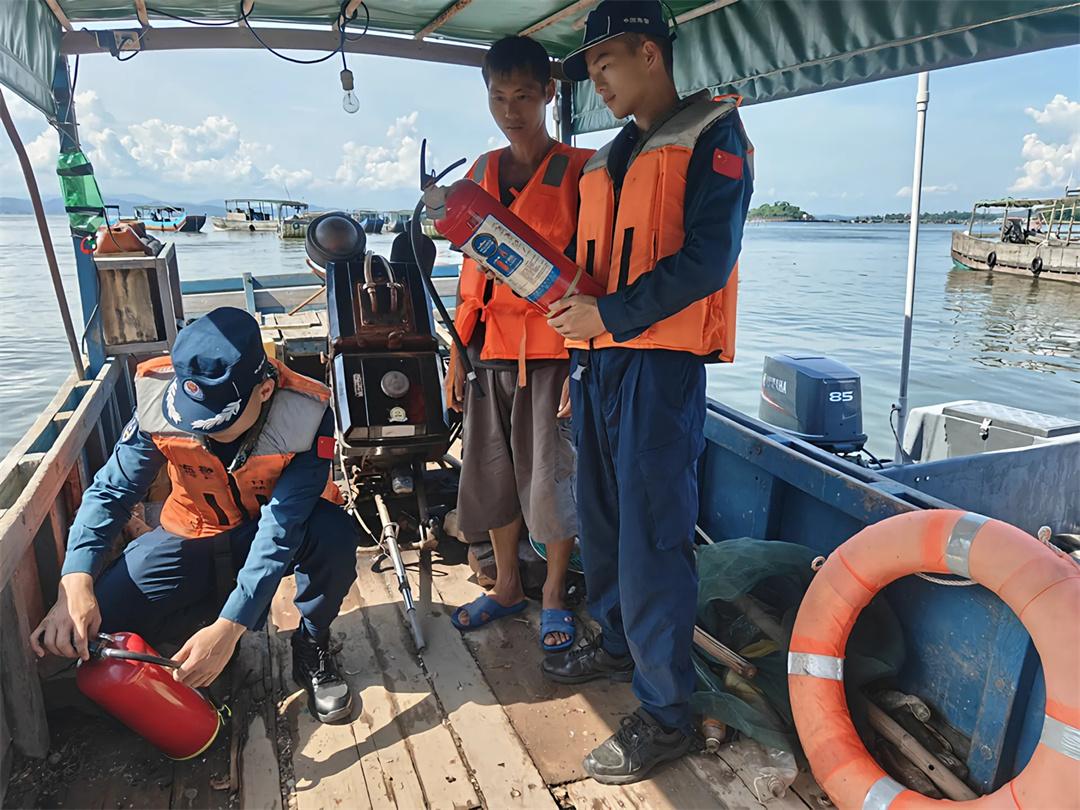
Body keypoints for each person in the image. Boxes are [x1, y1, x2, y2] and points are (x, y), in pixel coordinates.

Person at [543, 0, 754, 784]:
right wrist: (580, 354)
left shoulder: (714, 135)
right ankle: (617, 642)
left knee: (654, 540)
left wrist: (609, 319)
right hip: (599, 368)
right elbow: (588, 266)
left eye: (605, 64)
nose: (597, 83)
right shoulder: (607, 159)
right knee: (601, 521)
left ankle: (666, 716)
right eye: (590, 70)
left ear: (650, 53)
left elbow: (708, 259)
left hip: (660, 373)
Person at [30, 307, 359, 724]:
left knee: (333, 533)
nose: (199, 429)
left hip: (271, 533)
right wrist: (74, 583)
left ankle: (311, 644)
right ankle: (200, 620)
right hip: (192, 527)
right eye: (191, 417)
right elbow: (111, 491)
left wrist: (230, 627)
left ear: (263, 390)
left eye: (215, 421)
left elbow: (281, 528)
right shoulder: (157, 399)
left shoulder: (307, 415)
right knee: (100, 621)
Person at [447, 35, 594, 653]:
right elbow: (470, 276)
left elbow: (596, 274)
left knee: (552, 482)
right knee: (493, 475)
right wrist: (457, 353)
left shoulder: (583, 172)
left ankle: (554, 594)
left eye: (524, 97)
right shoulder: (480, 173)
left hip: (556, 354)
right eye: (499, 97)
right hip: (489, 351)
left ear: (549, 94)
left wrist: (585, 362)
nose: (511, 111)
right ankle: (507, 585)